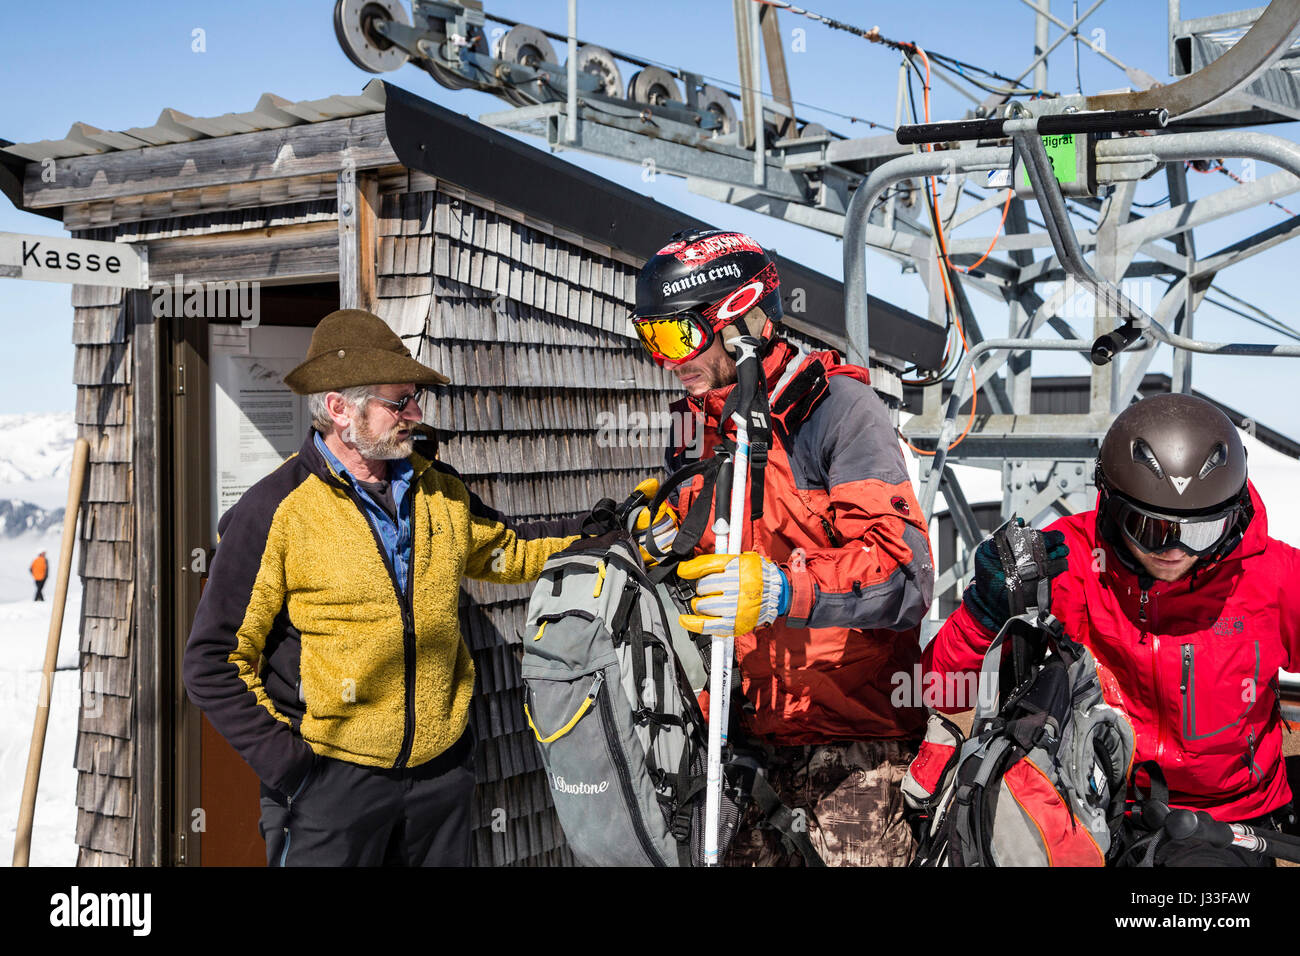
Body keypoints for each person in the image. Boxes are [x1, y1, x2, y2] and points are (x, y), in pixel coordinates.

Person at [183, 309, 585, 867]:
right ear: (339, 407)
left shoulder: (438, 490)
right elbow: (214, 660)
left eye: (414, 397)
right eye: (399, 401)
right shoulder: (273, 511)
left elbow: (510, 549)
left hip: (440, 778)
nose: (415, 414)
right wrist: (297, 770)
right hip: (330, 788)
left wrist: (610, 537)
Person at [630, 229, 935, 866]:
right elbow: (702, 553)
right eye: (650, 337)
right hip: (741, 738)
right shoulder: (701, 426)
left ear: (740, 318)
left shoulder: (837, 413)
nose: (668, 359)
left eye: (678, 335)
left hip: (851, 747)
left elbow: (906, 575)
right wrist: (661, 536)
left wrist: (783, 591)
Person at [923, 392, 1298, 866]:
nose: (1175, 550)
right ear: (1112, 505)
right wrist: (984, 613)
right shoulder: (1070, 564)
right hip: (1084, 805)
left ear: (1235, 514)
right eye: (1149, 527)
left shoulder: (1271, 577)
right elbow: (941, 689)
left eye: (1200, 531)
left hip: (1225, 821)